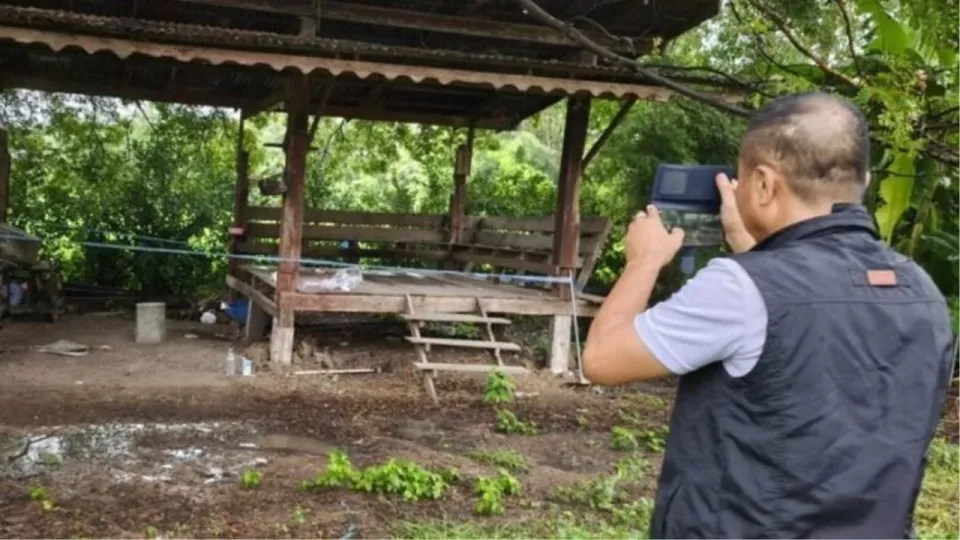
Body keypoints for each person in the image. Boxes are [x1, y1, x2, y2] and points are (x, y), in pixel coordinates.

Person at [582, 92, 955, 539]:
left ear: (762, 184)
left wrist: (644, 260)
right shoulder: (920, 291)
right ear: (866, 181)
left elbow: (603, 358)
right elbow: (799, 314)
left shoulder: (737, 287)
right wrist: (752, 243)